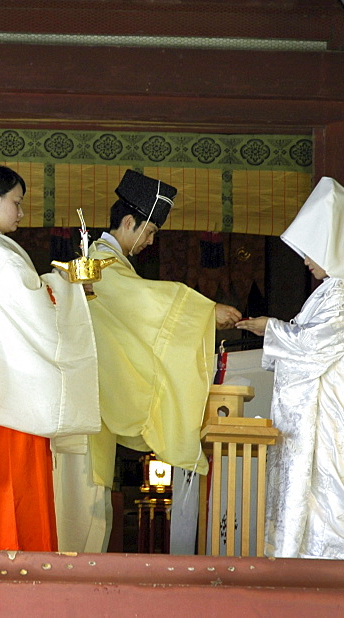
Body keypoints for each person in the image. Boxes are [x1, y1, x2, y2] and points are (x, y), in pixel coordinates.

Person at [53, 168, 242, 553]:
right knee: (84, 506)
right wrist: (207, 313)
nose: (151, 242)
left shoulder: (111, 263)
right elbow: (149, 307)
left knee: (92, 502)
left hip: (94, 399)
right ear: (128, 222)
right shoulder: (101, 264)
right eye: (150, 231)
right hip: (84, 400)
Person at [0, 164, 99, 552]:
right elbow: (33, 306)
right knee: (9, 480)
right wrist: (73, 283)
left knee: (2, 485)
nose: (21, 212)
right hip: (1, 392)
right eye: (16, 202)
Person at [236, 176, 344, 559]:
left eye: (311, 250)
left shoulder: (339, 294)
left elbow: (309, 348)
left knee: (326, 506)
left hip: (332, 427)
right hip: (332, 420)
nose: (305, 260)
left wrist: (268, 327)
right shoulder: (334, 293)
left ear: (333, 248)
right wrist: (275, 330)